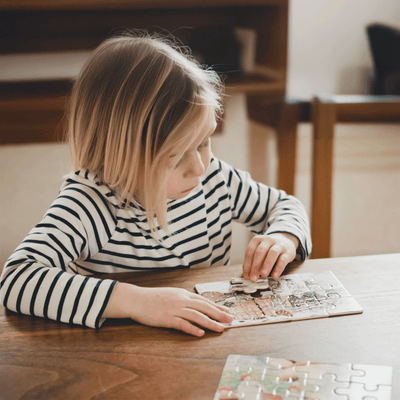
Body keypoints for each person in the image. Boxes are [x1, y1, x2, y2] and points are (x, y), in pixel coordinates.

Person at [0, 32, 311, 337]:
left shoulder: (216, 178)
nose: (199, 167)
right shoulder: (91, 201)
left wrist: (284, 236)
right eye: (175, 158)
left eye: (204, 142)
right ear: (120, 155)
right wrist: (136, 301)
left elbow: (284, 205)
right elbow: (17, 280)